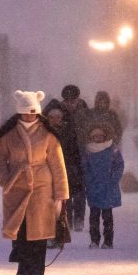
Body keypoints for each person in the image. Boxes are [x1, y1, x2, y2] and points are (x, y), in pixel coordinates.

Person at [0, 90, 69, 275]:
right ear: (19, 112)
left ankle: (36, 272)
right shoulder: (8, 134)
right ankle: (23, 266)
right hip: (16, 184)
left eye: (33, 112)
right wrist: (4, 179)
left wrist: (61, 193)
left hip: (42, 186)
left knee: (40, 231)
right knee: (20, 230)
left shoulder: (48, 134)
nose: (30, 116)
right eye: (26, 112)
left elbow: (58, 165)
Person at [43, 99, 84, 248]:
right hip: (45, 174)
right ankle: (48, 235)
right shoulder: (42, 132)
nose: (55, 120)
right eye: (51, 117)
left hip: (64, 173)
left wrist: (76, 172)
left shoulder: (69, 133)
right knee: (47, 206)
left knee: (60, 207)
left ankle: (58, 235)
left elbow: (75, 154)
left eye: (58, 117)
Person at [81, 124, 124, 249]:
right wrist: (89, 180)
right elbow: (85, 167)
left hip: (107, 188)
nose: (97, 138)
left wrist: (113, 179)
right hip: (94, 188)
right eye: (95, 136)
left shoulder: (112, 148)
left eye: (100, 135)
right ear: (90, 137)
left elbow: (119, 165)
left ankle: (108, 241)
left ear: (104, 136)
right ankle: (94, 240)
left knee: (107, 217)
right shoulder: (88, 150)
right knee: (93, 217)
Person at [59, 84, 90, 231]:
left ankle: (79, 220)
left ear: (78, 100)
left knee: (79, 191)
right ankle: (68, 220)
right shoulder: (59, 113)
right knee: (66, 191)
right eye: (67, 102)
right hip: (64, 155)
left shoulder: (85, 113)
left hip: (81, 155)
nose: (70, 104)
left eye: (73, 101)